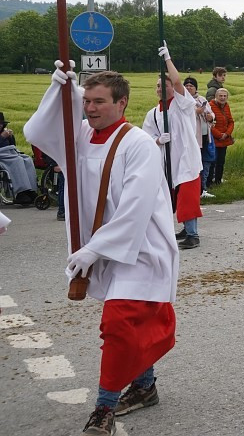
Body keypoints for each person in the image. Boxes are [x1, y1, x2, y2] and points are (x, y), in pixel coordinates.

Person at [25, 65, 179, 436]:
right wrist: (58, 92)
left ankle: (103, 409)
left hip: (141, 248)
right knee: (129, 325)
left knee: (119, 323)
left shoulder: (138, 143)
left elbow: (136, 208)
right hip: (102, 246)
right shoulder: (78, 135)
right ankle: (145, 386)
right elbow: (36, 132)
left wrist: (95, 250)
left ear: (121, 103)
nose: (90, 109)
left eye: (99, 102)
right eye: (86, 101)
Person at [142, 44, 204, 250]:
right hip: (167, 161)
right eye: (158, 86)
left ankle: (193, 234)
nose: (161, 89)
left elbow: (177, 81)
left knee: (188, 196)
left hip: (186, 159)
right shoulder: (153, 114)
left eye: (164, 85)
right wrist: (159, 141)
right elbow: (146, 138)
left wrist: (167, 58)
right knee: (171, 197)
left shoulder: (181, 104)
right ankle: (185, 229)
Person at [182, 77, 216, 200]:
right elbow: (182, 117)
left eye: (191, 85)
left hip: (205, 136)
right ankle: (196, 190)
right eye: (186, 85)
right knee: (194, 164)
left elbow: (212, 113)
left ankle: (202, 189)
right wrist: (196, 111)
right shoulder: (182, 101)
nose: (189, 87)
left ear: (196, 88)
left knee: (203, 163)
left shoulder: (201, 99)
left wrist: (210, 117)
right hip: (192, 138)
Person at [208, 88, 234, 187]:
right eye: (220, 96)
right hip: (214, 140)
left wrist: (227, 133)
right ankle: (209, 182)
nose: (223, 98)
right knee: (212, 162)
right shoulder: (210, 106)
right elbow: (209, 125)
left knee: (221, 162)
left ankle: (218, 181)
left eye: (225, 96)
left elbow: (231, 121)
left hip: (224, 140)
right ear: (216, 96)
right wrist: (219, 135)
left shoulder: (226, 106)